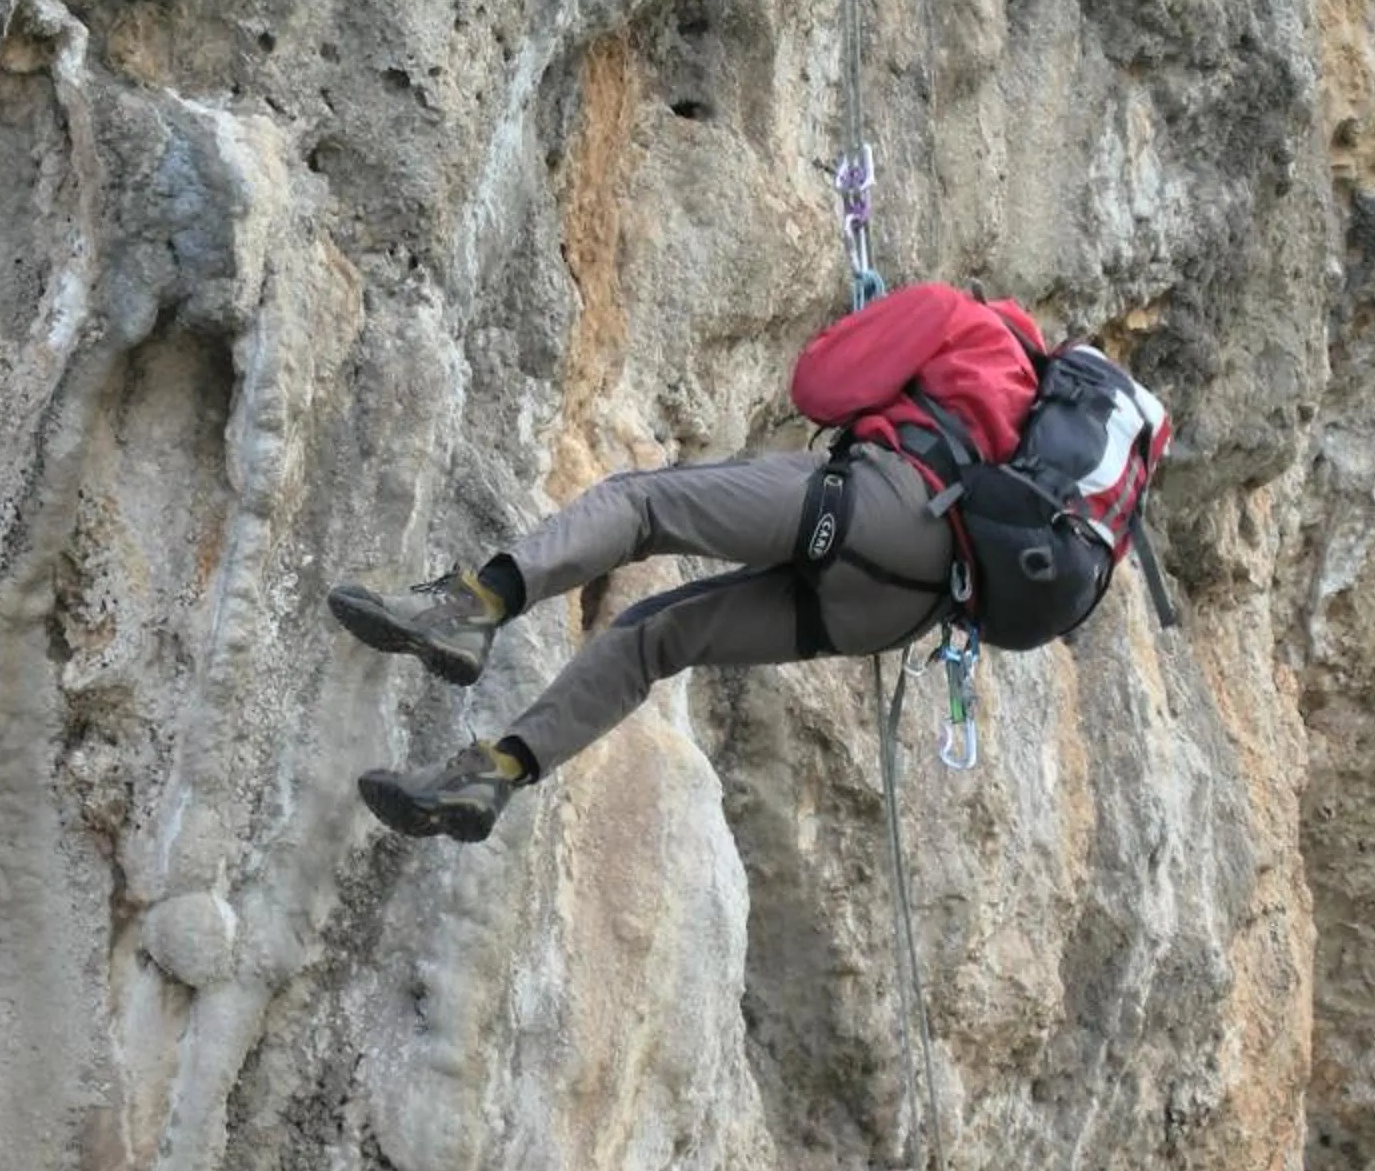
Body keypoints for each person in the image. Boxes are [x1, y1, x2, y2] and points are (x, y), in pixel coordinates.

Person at [329, 284, 1045, 841]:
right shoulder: (1038, 424)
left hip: (882, 510)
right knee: (654, 639)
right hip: (906, 610)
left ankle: (473, 605)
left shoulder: (957, 316)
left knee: (642, 507)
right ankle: (492, 775)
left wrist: (873, 337)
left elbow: (818, 387)